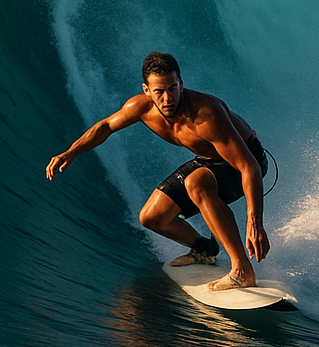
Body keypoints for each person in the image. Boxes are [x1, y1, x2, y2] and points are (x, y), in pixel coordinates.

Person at [46, 51, 271, 290]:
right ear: (146, 90)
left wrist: (255, 222)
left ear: (181, 83)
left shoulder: (206, 114)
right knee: (151, 217)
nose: (167, 98)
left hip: (247, 159)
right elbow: (105, 127)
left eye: (172, 88)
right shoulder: (140, 108)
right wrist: (71, 152)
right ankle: (204, 249)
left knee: (196, 183)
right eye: (159, 91)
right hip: (208, 159)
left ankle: (242, 270)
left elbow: (249, 167)